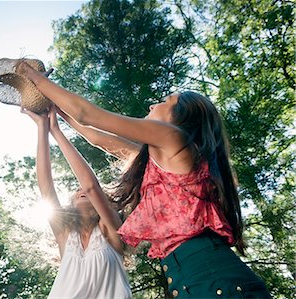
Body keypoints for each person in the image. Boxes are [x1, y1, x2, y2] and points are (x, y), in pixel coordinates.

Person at [18, 61, 272, 298]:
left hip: (214, 278)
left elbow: (87, 114)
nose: (153, 106)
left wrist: (33, 76)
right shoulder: (162, 160)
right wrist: (56, 115)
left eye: (164, 102)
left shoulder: (174, 137)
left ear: (181, 116)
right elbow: (97, 138)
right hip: (191, 280)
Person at [23, 105, 132, 299]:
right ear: (71, 203)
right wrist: (42, 127)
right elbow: (45, 187)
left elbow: (90, 185)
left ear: (104, 202)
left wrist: (56, 131)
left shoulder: (111, 231)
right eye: (77, 190)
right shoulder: (65, 236)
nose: (81, 190)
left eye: (85, 190)